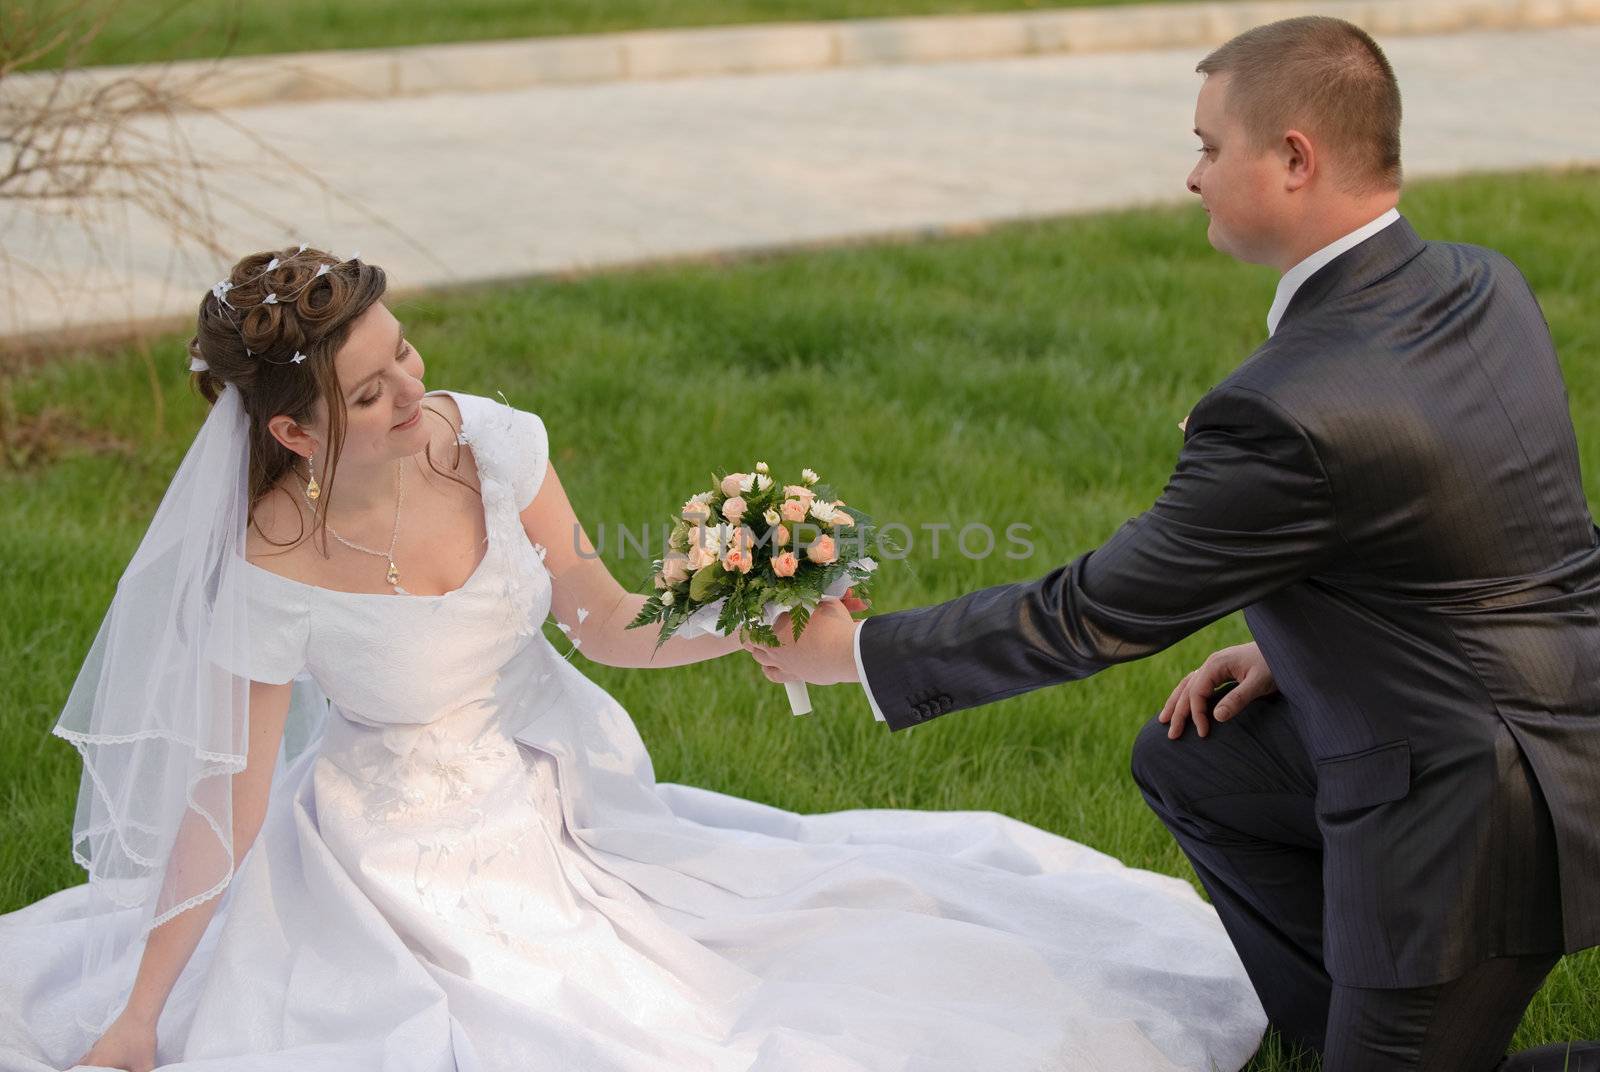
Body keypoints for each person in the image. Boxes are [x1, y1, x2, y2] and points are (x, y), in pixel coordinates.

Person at [0, 246, 1266, 1072]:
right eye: (372, 391)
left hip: (543, 800)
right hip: (374, 847)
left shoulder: (490, 443)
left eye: (404, 353)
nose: (413, 390)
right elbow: (229, 796)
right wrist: (141, 1013)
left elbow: (600, 618)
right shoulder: (273, 563)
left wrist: (745, 611)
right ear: (292, 429)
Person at [750, 14, 1600, 1071]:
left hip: (1476, 815)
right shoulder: (1478, 284)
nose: (1192, 176)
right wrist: (1299, 645)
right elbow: (1494, 528)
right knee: (1194, 757)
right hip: (1559, 716)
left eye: (1207, 145)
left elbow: (1095, 611)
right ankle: (1339, 1023)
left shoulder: (1287, 407)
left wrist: (857, 656)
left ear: (1294, 158)